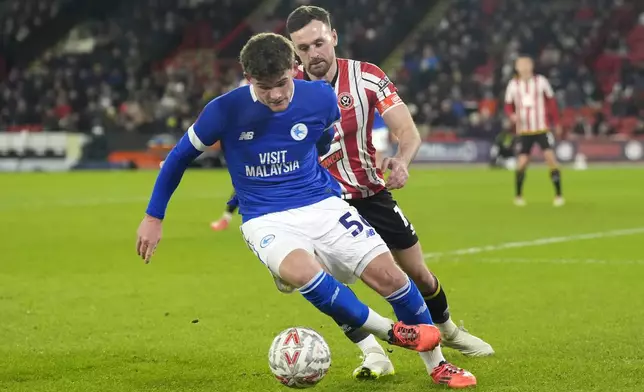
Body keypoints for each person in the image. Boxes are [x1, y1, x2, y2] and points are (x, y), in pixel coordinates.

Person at [136, 32, 444, 365]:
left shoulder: (321, 98)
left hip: (322, 203)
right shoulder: (224, 110)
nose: (276, 94)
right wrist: (154, 216)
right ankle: (389, 332)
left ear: (294, 67)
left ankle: (438, 365)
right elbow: (179, 158)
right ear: (248, 78)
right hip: (265, 217)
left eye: (282, 83)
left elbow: (323, 138)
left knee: (391, 277)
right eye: (264, 87)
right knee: (303, 274)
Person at [284, 5, 489, 388]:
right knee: (326, 284)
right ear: (294, 51)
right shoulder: (288, 88)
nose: (313, 53)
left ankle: (446, 330)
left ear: (333, 37)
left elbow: (407, 131)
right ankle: (373, 352)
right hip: (322, 203)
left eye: (318, 42)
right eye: (303, 48)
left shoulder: (366, 77)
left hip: (371, 194)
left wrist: (402, 161)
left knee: (418, 275)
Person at [504, 56, 564, 206]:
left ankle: (558, 195)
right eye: (520, 65)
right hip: (524, 130)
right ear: (517, 68)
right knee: (522, 162)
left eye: (526, 64)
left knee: (550, 159)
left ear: (531, 66)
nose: (524, 67)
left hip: (541, 127)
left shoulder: (541, 81)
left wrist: (556, 122)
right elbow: (507, 105)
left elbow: (551, 102)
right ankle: (518, 195)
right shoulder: (513, 84)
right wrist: (511, 115)